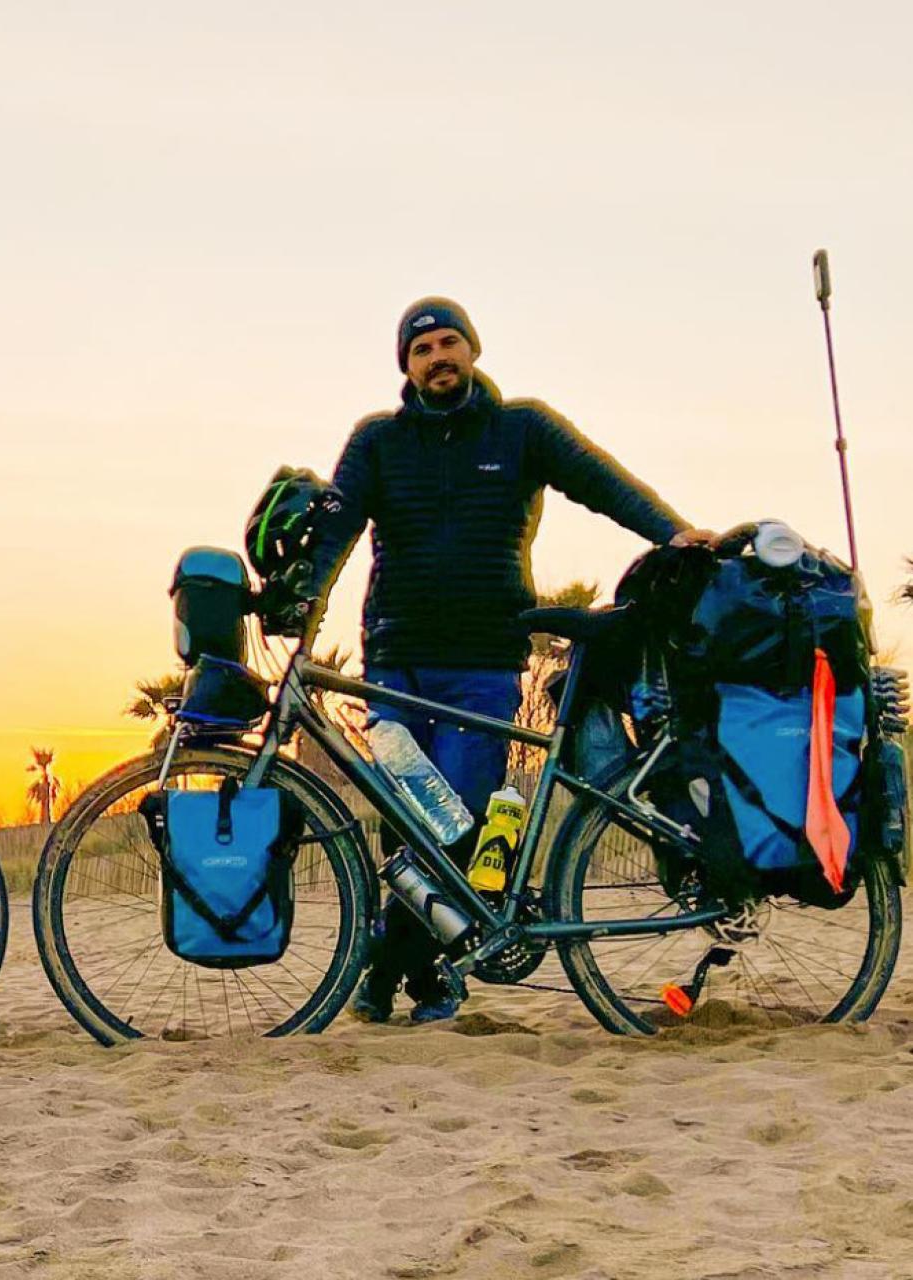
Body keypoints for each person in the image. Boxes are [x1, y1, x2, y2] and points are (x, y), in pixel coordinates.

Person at [296, 298, 713, 1025]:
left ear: (473, 351)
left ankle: (390, 965)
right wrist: (304, 608)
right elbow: (337, 532)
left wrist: (672, 533)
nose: (437, 358)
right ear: (406, 366)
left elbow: (601, 480)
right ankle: (424, 978)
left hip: (484, 660)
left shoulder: (521, 429)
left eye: (448, 343)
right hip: (396, 661)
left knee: (456, 822)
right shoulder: (376, 442)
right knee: (406, 824)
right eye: (421, 350)